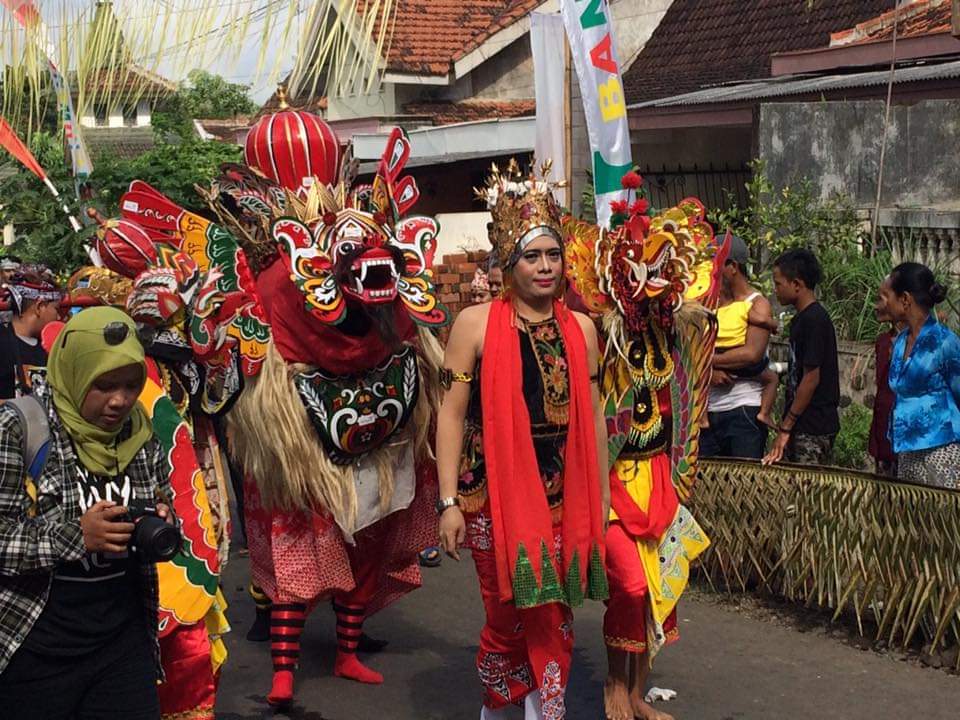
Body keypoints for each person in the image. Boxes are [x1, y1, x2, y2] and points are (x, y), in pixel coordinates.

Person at [438, 163, 608, 720]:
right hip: (490, 494)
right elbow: (451, 414)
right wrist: (446, 504)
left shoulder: (581, 329)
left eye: (552, 256)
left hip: (563, 494)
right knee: (506, 614)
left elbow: (595, 421)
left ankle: (545, 711)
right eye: (531, 256)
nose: (544, 267)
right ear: (510, 263)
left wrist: (601, 502)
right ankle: (499, 705)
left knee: (554, 610)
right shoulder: (475, 325)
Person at [0, 307, 174, 718]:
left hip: (121, 642)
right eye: (105, 385)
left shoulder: (138, 430)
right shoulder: (18, 427)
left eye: (132, 385)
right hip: (35, 647)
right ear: (75, 371)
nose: (120, 400)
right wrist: (77, 537)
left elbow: (161, 502)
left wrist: (161, 522)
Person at [883, 262, 960, 490]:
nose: (884, 303)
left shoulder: (945, 342)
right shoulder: (899, 343)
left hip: (942, 448)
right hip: (907, 449)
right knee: (913, 520)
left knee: (943, 520)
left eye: (888, 296)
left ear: (905, 299)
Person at [701, 236, 776, 459]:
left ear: (733, 266)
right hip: (708, 412)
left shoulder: (757, 303)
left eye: (715, 263)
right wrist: (710, 372)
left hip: (744, 410)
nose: (710, 270)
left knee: (743, 485)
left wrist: (705, 361)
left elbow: (751, 355)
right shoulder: (707, 304)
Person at [764, 249, 840, 466]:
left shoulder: (815, 320)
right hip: (800, 424)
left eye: (778, 284)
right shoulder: (800, 320)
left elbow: (810, 378)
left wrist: (787, 424)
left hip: (814, 426)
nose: (775, 290)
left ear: (797, 284)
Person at [0, 266, 62, 399]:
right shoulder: (2, 341)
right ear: (40, 307)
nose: (58, 317)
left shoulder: (51, 346)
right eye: (56, 309)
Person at [869, 276, 899, 476]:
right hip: (884, 440)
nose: (875, 305)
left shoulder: (931, 344)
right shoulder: (884, 342)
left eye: (881, 299)